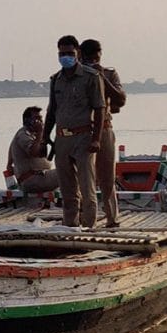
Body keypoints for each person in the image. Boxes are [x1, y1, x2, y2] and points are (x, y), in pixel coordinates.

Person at [43, 35, 106, 228]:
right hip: (62, 139)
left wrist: (96, 139)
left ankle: (89, 228)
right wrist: (44, 138)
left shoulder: (90, 77)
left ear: (77, 52)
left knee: (87, 189)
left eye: (70, 53)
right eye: (62, 53)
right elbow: (52, 111)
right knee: (67, 190)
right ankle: (70, 227)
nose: (66, 57)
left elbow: (100, 108)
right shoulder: (56, 80)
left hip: (84, 137)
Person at [79, 38, 127, 227]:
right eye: (89, 59)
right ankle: (85, 219)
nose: (93, 62)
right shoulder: (75, 76)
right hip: (81, 131)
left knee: (107, 177)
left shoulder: (109, 74)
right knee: (83, 178)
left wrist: (102, 79)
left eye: (96, 59)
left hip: (105, 129)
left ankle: (112, 218)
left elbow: (121, 100)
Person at [8, 106, 59, 194]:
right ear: (27, 120)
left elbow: (12, 145)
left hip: (41, 176)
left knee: (69, 169)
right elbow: (34, 152)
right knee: (68, 172)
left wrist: (9, 163)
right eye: (36, 118)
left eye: (41, 118)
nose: (40, 122)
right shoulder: (23, 134)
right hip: (33, 179)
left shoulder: (29, 134)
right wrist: (40, 133)